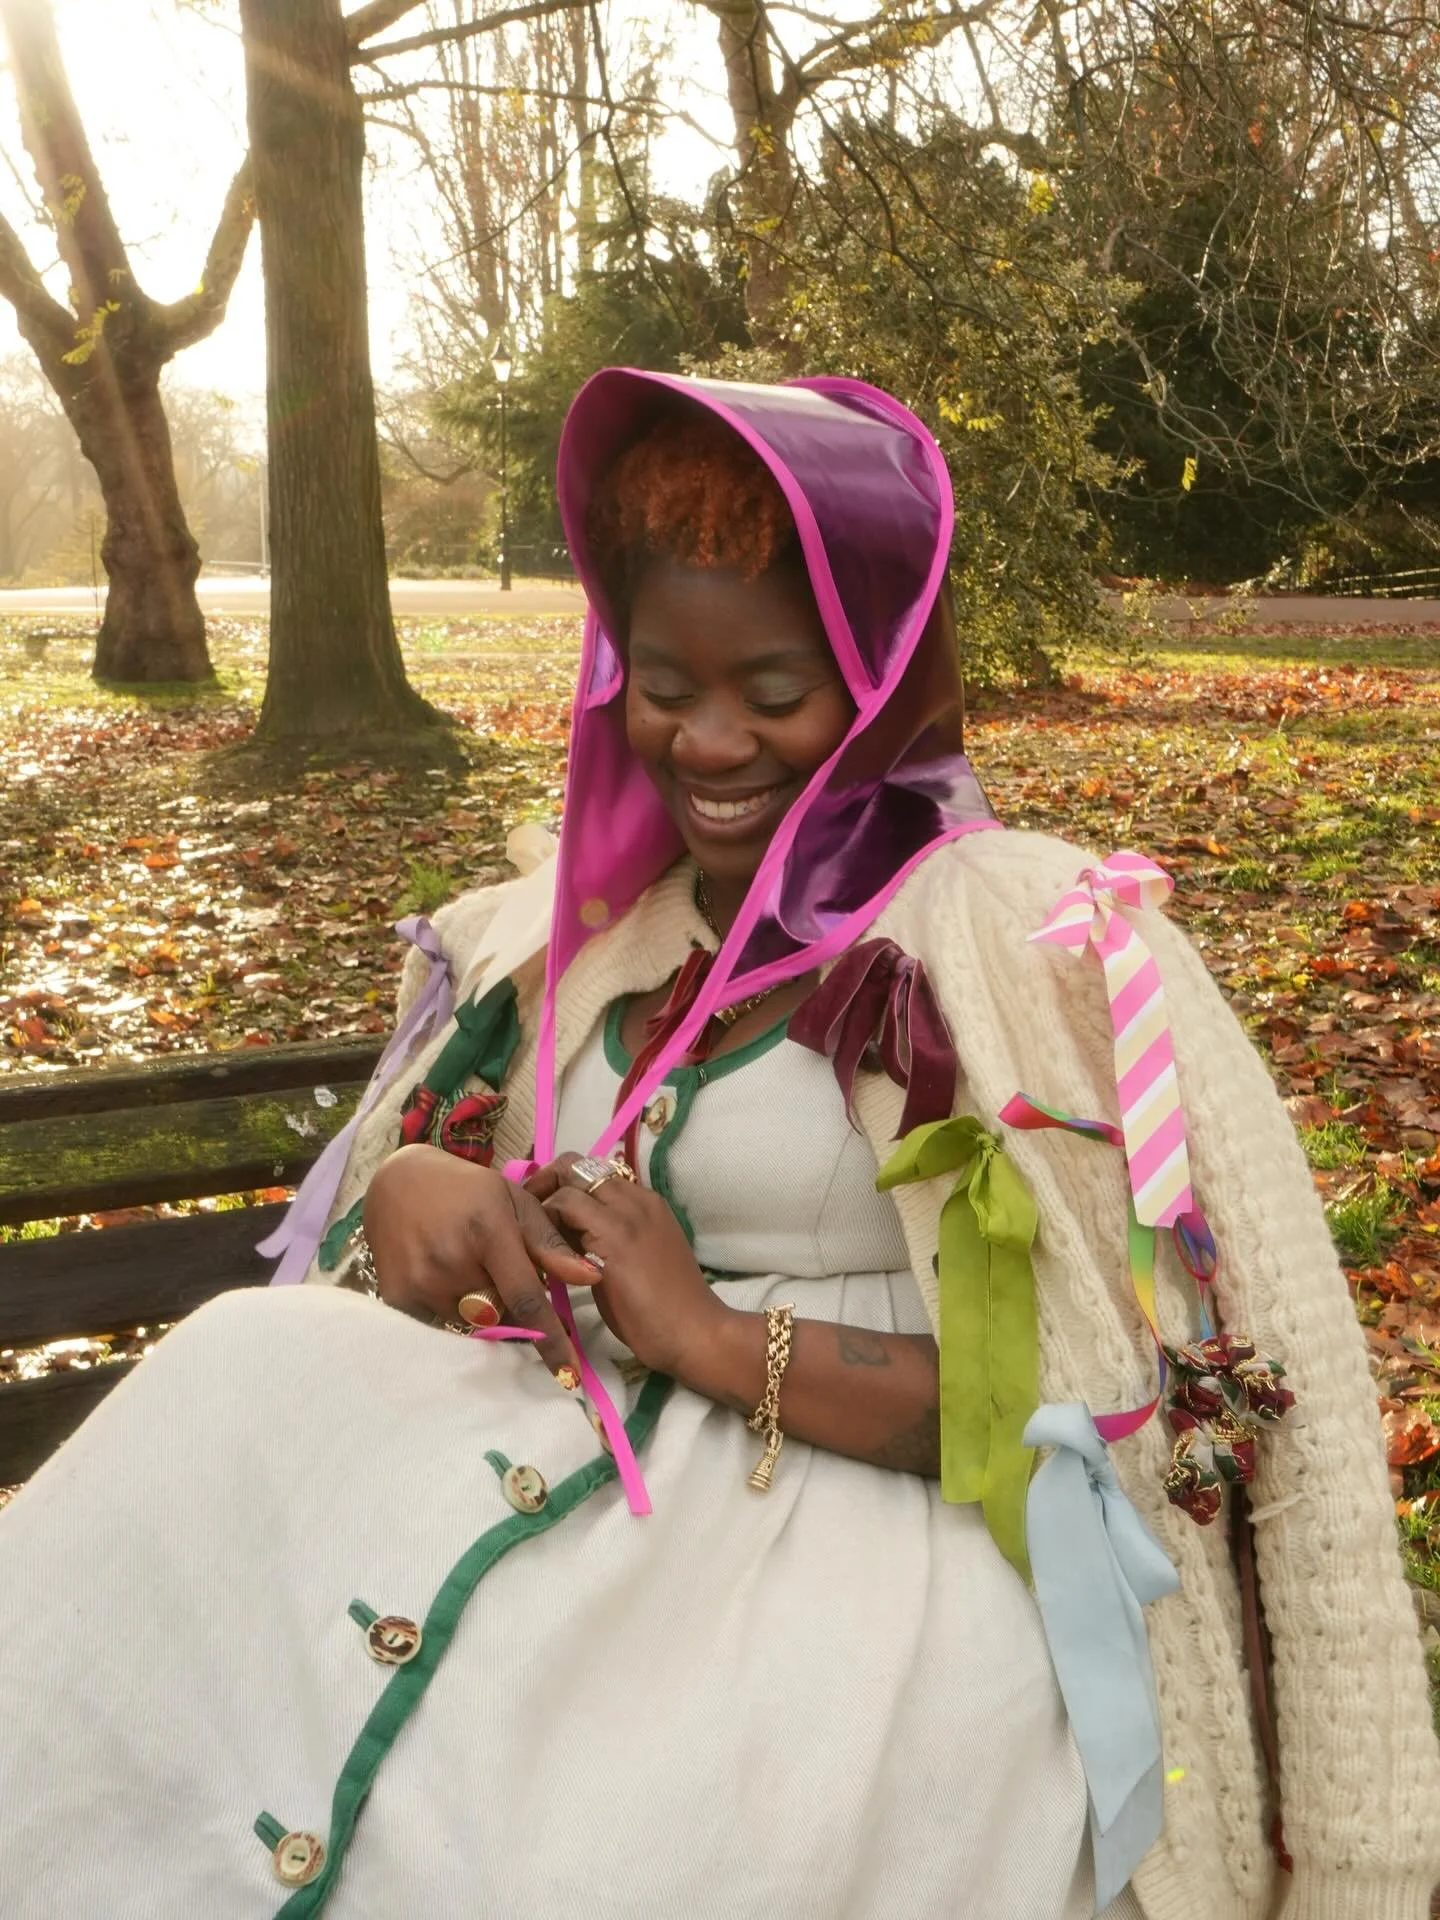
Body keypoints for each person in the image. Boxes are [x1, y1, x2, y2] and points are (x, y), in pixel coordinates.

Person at [0, 370, 1435, 1920]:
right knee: (226, 1402)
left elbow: (1092, 1411)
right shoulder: (570, 937)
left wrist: (703, 1332)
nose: (708, 740)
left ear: (885, 672)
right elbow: (420, 1236)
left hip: (868, 1574)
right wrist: (424, 1188)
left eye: (773, 685)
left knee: (572, 1859)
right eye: (665, 685)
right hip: (557, 1499)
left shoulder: (1019, 945)